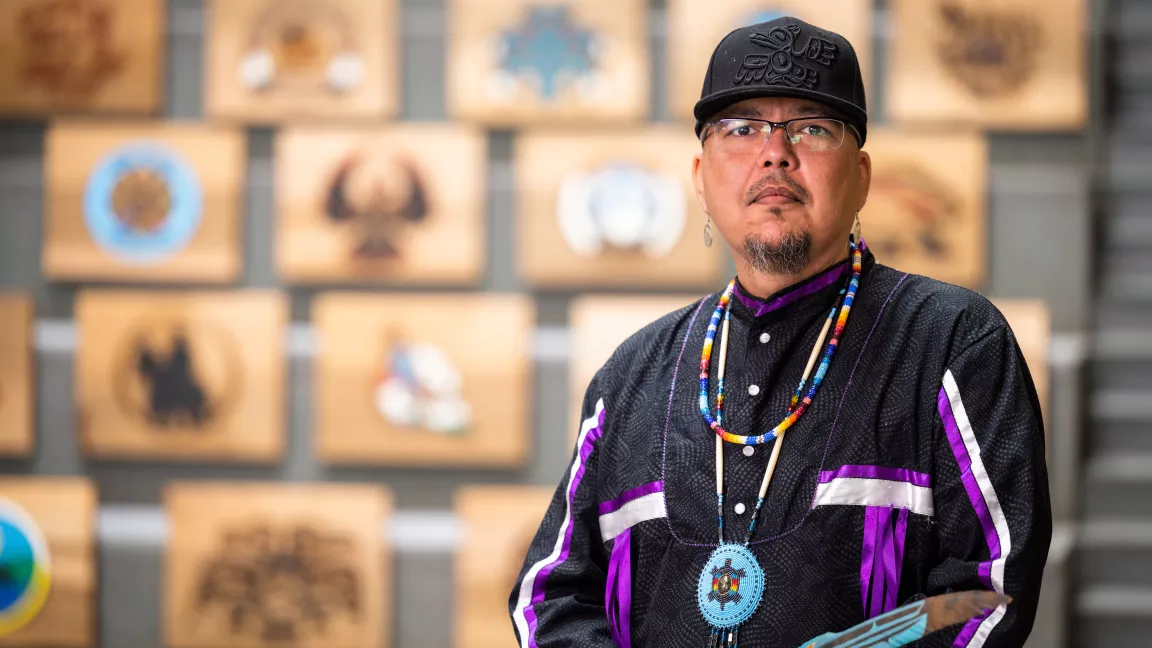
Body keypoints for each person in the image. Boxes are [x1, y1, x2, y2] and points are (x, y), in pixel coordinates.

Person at [509, 15, 1051, 648]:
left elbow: (985, 593)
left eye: (811, 128)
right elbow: (549, 595)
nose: (775, 152)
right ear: (701, 178)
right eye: (741, 129)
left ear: (863, 177)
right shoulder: (632, 375)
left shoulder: (953, 344)